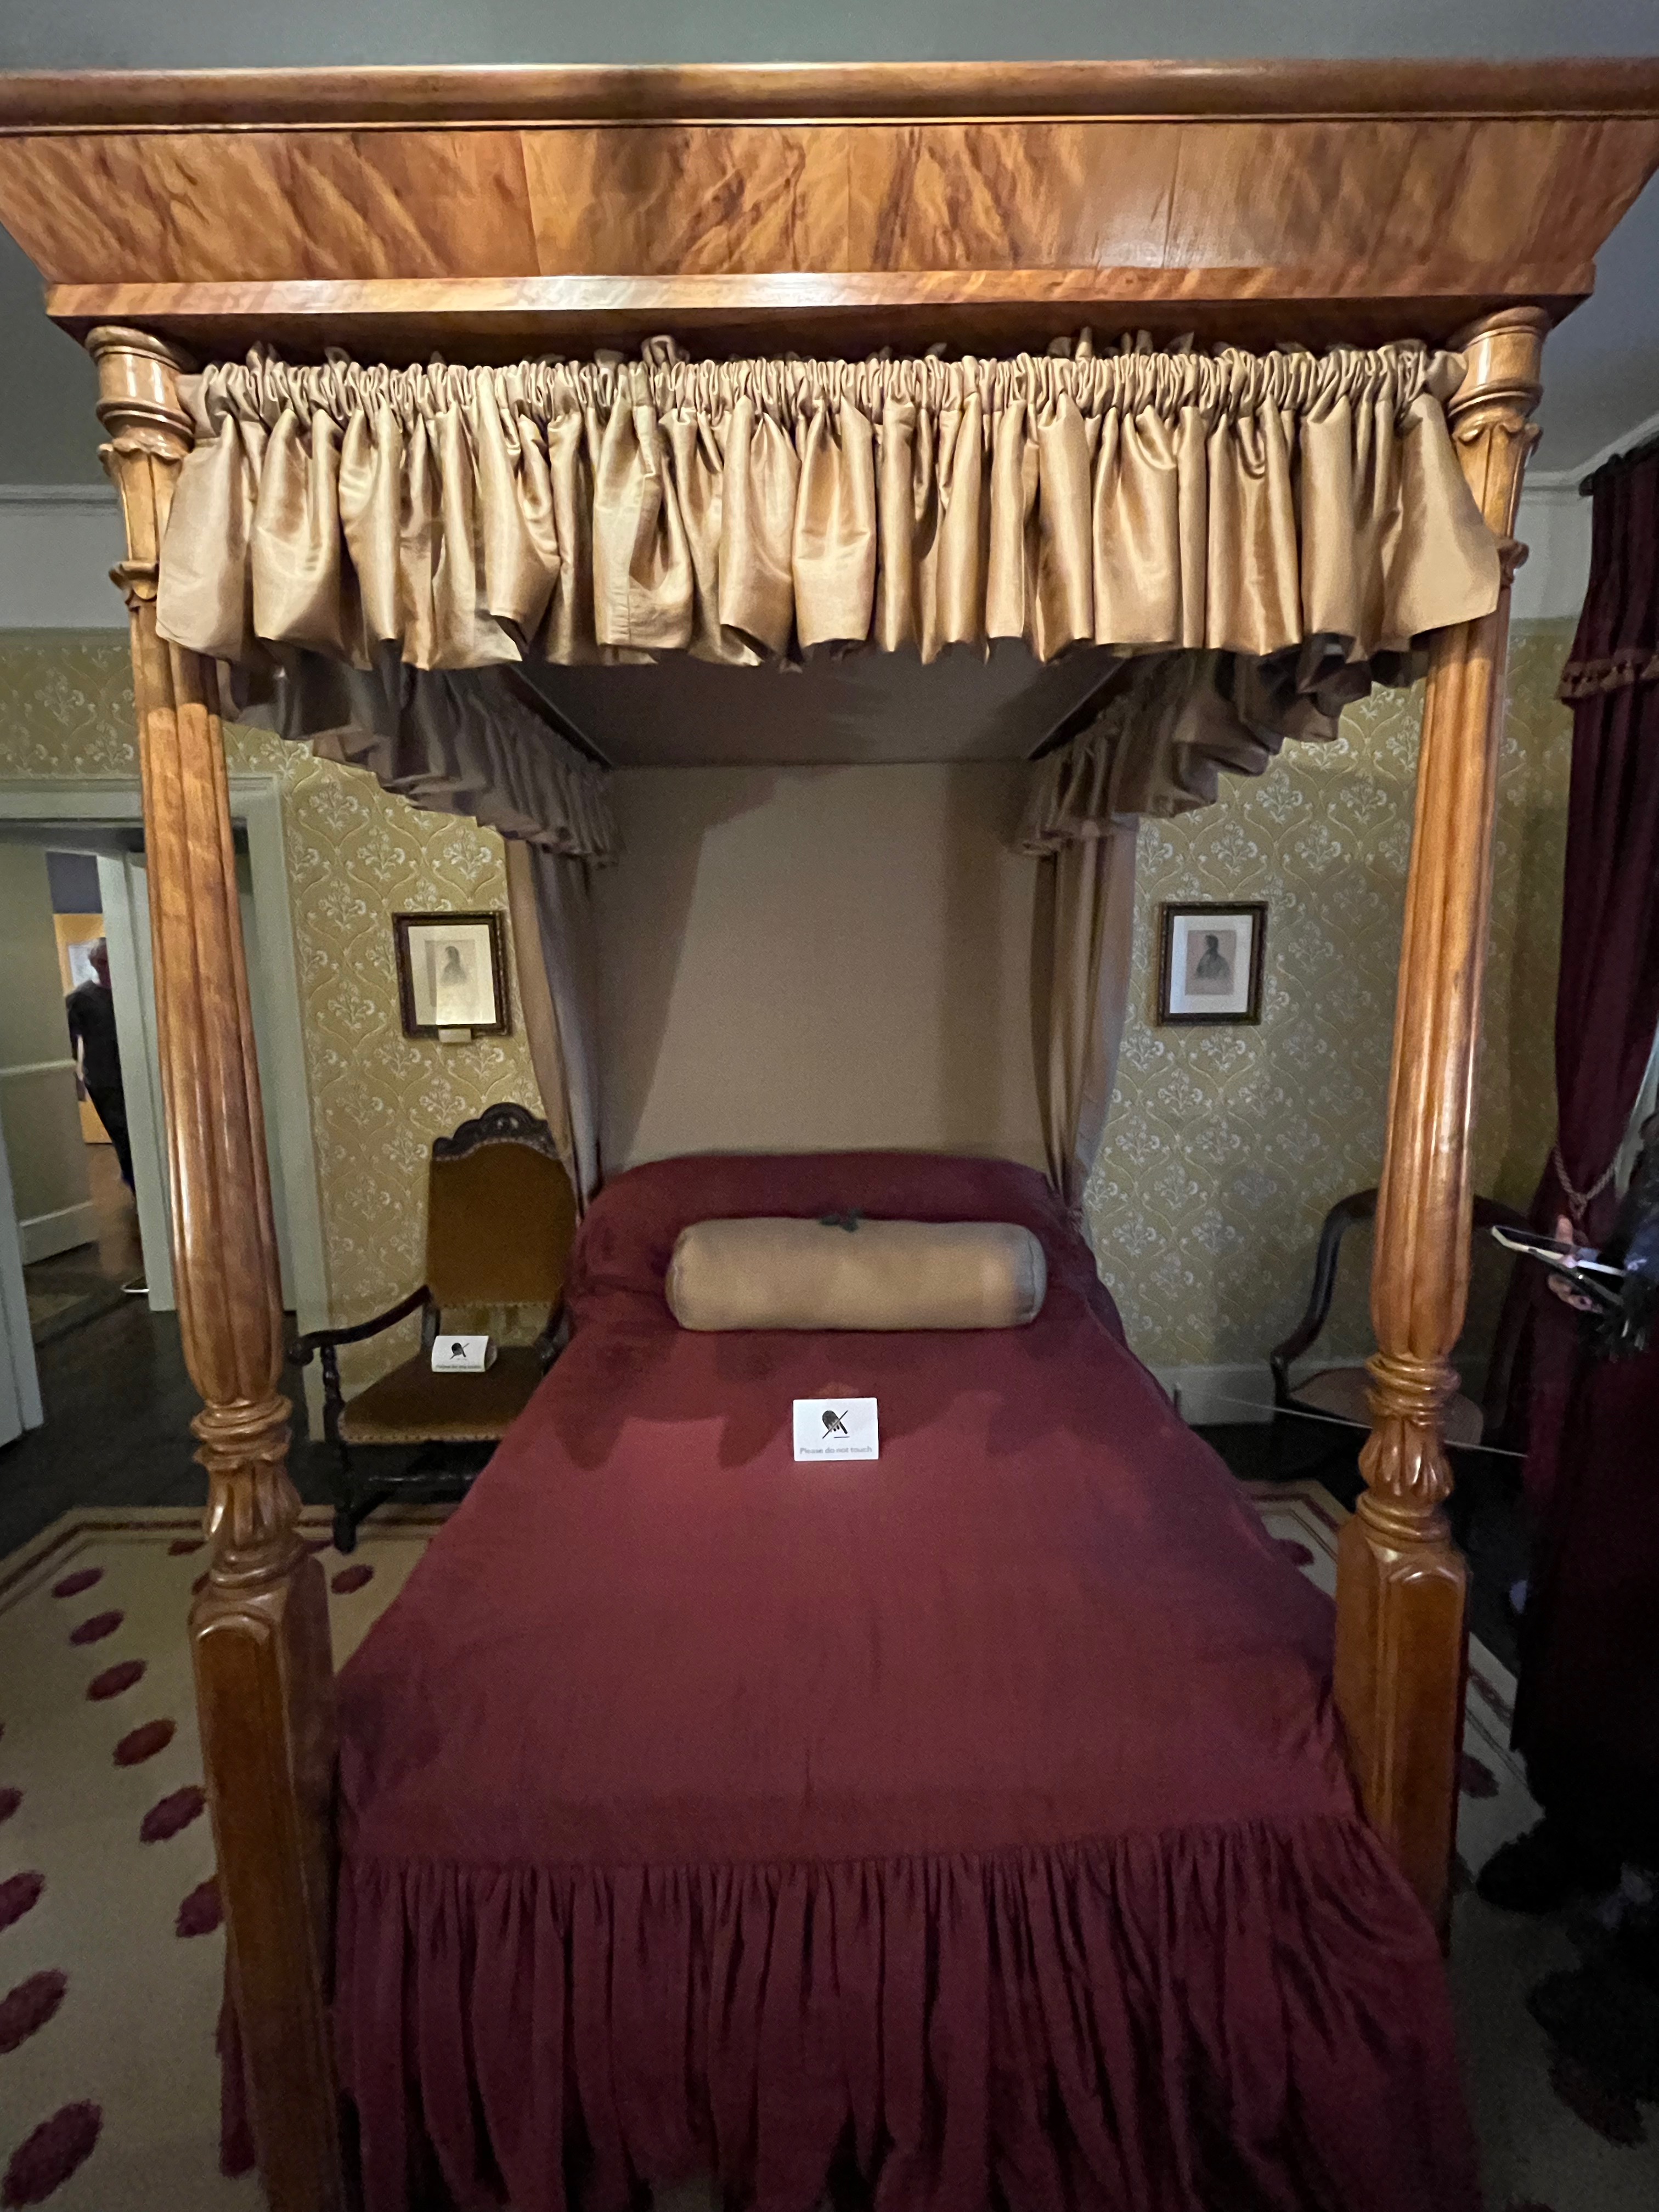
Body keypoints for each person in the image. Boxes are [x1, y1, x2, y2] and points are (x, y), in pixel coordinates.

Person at [1477, 1118, 1659, 1913]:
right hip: (1622, 1409)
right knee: (1587, 1616)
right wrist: (1592, 1279)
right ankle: (1580, 1829)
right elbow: (1639, 1250)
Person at [65, 939, 133, 1190]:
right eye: (102, 961)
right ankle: (135, 1186)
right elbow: (69, 1041)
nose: (108, 966)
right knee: (122, 1135)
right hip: (105, 1080)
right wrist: (74, 1080)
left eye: (111, 960)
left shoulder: (132, 992)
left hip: (136, 1075)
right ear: (94, 963)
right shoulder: (80, 999)